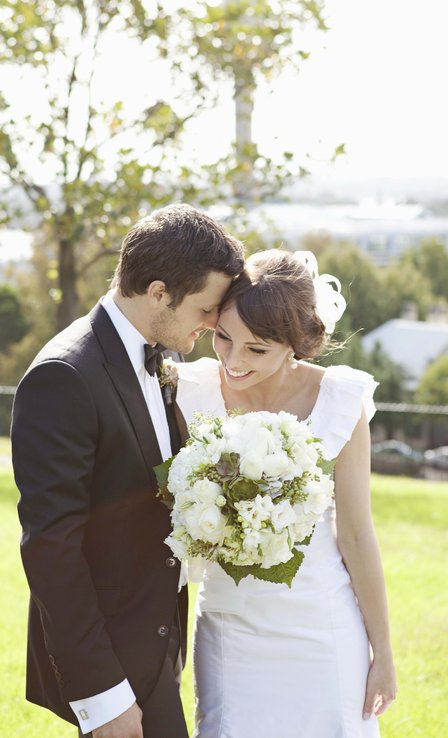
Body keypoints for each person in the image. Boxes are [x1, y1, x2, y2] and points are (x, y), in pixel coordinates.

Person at [11, 204, 244, 738]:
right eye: (206, 309)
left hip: (158, 640)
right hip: (112, 664)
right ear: (158, 292)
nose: (212, 325)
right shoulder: (63, 378)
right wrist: (102, 697)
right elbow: (51, 550)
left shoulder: (157, 354)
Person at [176, 249, 397, 738]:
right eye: (223, 338)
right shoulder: (189, 393)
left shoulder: (339, 402)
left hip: (321, 625)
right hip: (230, 628)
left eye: (257, 350)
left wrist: (382, 652)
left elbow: (357, 534)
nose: (233, 361)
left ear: (296, 344)